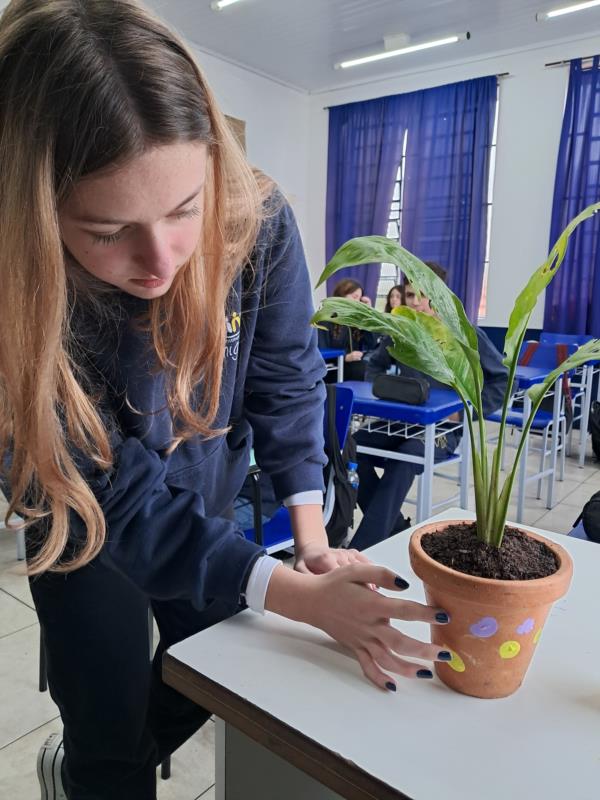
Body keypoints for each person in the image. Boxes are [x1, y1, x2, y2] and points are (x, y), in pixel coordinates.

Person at [0, 2, 452, 798]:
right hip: (82, 523)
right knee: (105, 731)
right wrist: (297, 599)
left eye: (184, 211)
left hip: (204, 498)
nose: (160, 262)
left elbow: (284, 376)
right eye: (107, 231)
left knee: (213, 674)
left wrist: (310, 546)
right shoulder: (14, 293)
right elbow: (116, 498)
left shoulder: (257, 218)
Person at [350, 264, 509, 552]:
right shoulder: (402, 331)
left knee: (407, 455)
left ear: (438, 296)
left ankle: (361, 549)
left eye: (423, 296)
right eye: (410, 295)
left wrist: (466, 413)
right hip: (399, 421)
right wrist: (383, 392)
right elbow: (374, 363)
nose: (416, 302)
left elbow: (501, 379)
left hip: (444, 428)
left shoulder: (464, 333)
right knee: (350, 447)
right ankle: (394, 526)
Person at [317, 277, 379, 380]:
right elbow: (321, 354)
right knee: (362, 369)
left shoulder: (355, 321)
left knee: (371, 368)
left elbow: (371, 343)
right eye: (355, 297)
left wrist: (368, 314)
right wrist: (345, 358)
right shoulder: (325, 320)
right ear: (341, 296)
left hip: (352, 367)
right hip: (332, 368)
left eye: (360, 299)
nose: (358, 302)